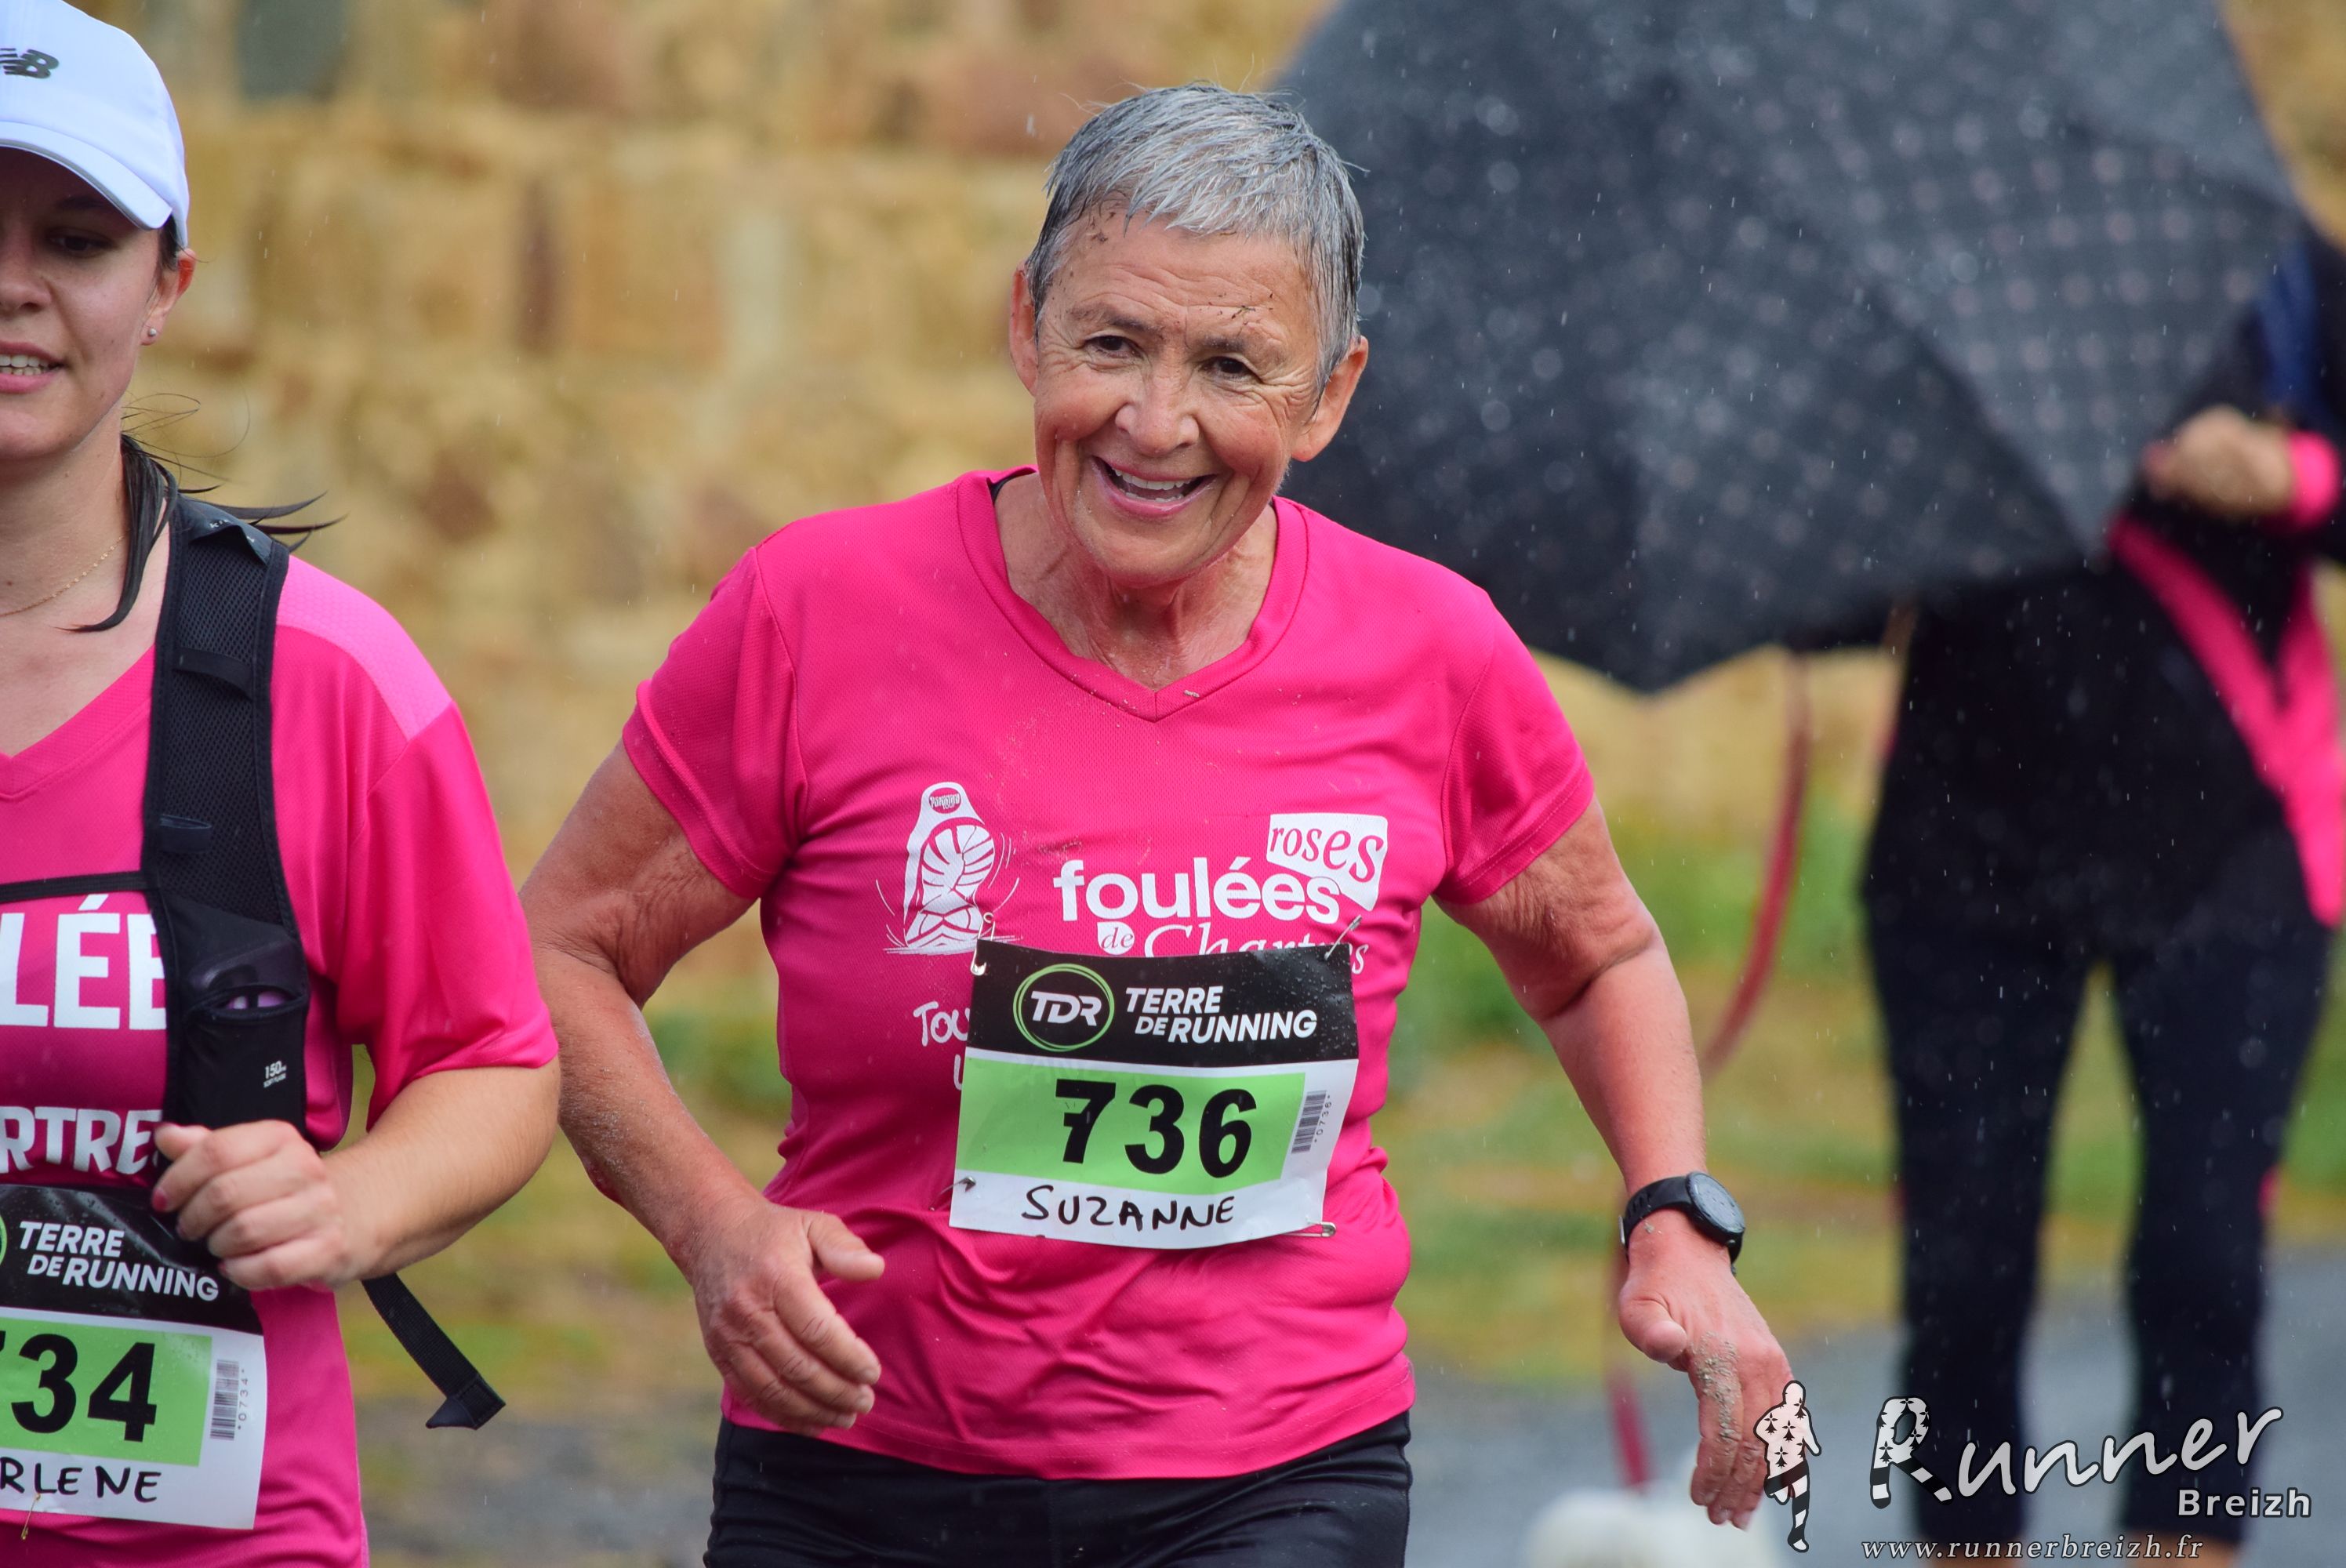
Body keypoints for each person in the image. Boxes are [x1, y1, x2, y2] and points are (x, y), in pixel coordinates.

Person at [527, 82, 1789, 1566]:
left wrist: (1675, 1220)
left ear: (1329, 396)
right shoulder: (817, 614)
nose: (1154, 423)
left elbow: (1596, 958)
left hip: (1275, 1480)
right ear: (1026, 325)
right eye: (1112, 343)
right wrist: (711, 1226)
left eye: (1232, 365)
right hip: (859, 1465)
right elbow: (559, 949)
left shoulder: (1430, 650)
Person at [0, 3, 560, 1561]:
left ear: (167, 286)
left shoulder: (322, 677)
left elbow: (494, 1063)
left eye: (76, 239)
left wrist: (348, 1205)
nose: (12, 284)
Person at [1865, 227, 2346, 1562]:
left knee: (2204, 1261)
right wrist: (1892, 532)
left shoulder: (2281, 267)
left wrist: (2290, 476)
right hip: (1965, 843)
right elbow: (1817, 584)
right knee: (1962, 1271)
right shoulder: (1920, 266)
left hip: (2235, 844)